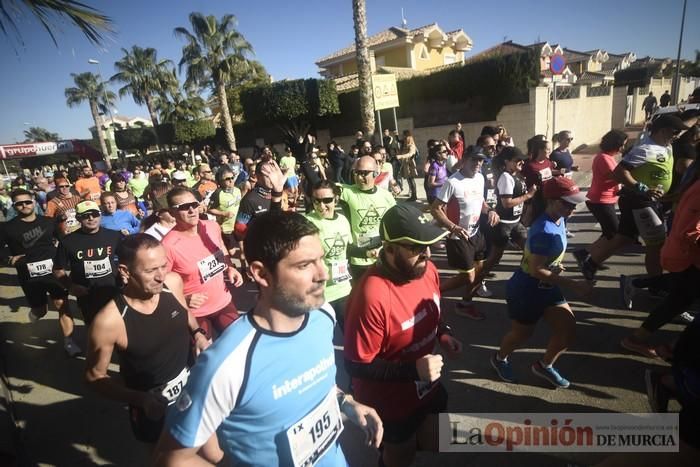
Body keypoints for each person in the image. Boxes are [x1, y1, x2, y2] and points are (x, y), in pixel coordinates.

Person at [153, 211, 383, 466]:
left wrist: (346, 402)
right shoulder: (225, 364)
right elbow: (170, 459)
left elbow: (316, 383)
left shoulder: (323, 315)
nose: (322, 274)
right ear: (261, 274)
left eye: (321, 260)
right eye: (304, 265)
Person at [84, 234, 221, 458]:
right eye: (150, 271)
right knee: (166, 463)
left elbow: (186, 315)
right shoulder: (109, 321)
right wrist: (141, 400)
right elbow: (93, 377)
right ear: (125, 272)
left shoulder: (172, 283)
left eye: (163, 266)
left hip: (190, 391)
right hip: (153, 409)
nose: (160, 276)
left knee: (214, 456)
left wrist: (198, 335)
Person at [344, 203, 460, 467]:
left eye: (428, 245)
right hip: (389, 399)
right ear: (389, 248)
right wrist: (413, 370)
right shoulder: (371, 295)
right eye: (417, 247)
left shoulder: (426, 270)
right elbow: (355, 364)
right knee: (401, 456)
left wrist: (443, 333)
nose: (427, 254)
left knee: (436, 440)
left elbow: (432, 310)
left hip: (425, 384)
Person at [492, 177, 592, 388]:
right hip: (527, 289)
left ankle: (544, 366)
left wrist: (554, 265)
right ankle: (499, 359)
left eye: (574, 203)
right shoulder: (544, 230)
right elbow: (536, 270)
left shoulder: (560, 218)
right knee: (521, 335)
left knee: (567, 330)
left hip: (546, 286)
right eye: (567, 203)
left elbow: (540, 262)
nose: (572, 208)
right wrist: (574, 284)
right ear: (551, 201)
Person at [575, 115, 688, 281]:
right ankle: (655, 283)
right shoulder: (645, 149)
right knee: (656, 244)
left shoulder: (666, 145)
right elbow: (620, 172)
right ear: (663, 131)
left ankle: (591, 263)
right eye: (675, 132)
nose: (678, 135)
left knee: (625, 237)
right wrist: (642, 189)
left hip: (647, 200)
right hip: (640, 201)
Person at [619, 171, 700, 357]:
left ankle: (635, 284)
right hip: (687, 255)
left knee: (681, 294)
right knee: (679, 299)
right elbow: (691, 231)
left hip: (686, 256)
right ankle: (641, 341)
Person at [0, 189, 80, 356]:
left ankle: (69, 342)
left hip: (52, 270)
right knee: (40, 311)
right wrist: (9, 259)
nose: (24, 205)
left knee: (62, 304)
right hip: (28, 275)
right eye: (19, 203)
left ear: (34, 202)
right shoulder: (7, 228)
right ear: (14, 206)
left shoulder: (48, 222)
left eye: (27, 202)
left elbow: (64, 241)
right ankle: (34, 315)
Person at [162, 187, 244, 339]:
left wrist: (229, 268)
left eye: (194, 204)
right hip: (195, 312)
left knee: (237, 342)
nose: (192, 210)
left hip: (223, 301)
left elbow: (221, 248)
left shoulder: (211, 227)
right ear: (172, 212)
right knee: (203, 355)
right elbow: (160, 285)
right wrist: (184, 299)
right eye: (184, 207)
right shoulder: (167, 245)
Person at [431, 148, 499, 320]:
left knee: (480, 272)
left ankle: (465, 304)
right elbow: (435, 208)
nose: (478, 164)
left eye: (481, 161)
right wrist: (453, 228)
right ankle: (433, 292)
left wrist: (490, 210)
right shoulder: (453, 182)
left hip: (476, 233)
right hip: (459, 236)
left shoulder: (480, 178)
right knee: (468, 277)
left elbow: (481, 202)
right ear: (464, 160)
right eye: (474, 160)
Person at [53, 200, 122, 325]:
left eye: (94, 214)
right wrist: (71, 286)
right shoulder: (68, 241)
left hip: (113, 290)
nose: (91, 218)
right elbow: (57, 269)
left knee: (118, 326)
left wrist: (125, 276)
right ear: (78, 218)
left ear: (100, 215)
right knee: (94, 328)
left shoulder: (113, 236)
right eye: (85, 215)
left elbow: (126, 259)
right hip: (87, 295)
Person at [305, 180, 353, 329]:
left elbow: (347, 249)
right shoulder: (308, 222)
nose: (321, 206)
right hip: (320, 293)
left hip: (344, 288)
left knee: (351, 334)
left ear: (336, 199)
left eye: (327, 200)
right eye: (316, 201)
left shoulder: (343, 220)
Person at [340, 155, 396, 281]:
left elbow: (396, 224)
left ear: (376, 173)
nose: (359, 177)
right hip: (359, 259)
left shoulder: (386, 196)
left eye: (364, 173)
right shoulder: (347, 192)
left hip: (383, 256)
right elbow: (321, 188)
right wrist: (305, 161)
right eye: (357, 173)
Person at [483, 147, 536, 274]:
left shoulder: (515, 175)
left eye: (523, 160)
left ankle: (526, 276)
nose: (522, 162)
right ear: (507, 161)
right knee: (494, 258)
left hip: (516, 222)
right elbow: (506, 203)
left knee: (530, 249)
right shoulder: (506, 178)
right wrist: (528, 195)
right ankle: (476, 283)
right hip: (503, 224)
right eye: (518, 160)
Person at [581, 130, 628, 273]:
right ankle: (590, 259)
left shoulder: (608, 157)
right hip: (600, 200)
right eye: (622, 145)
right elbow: (616, 176)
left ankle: (587, 256)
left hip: (605, 199)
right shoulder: (603, 158)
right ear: (616, 144)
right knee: (613, 233)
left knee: (608, 232)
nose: (623, 148)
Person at [207, 167, 242, 257]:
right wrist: (224, 213)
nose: (231, 180)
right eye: (227, 179)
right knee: (232, 252)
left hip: (238, 226)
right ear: (221, 181)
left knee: (243, 249)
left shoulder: (237, 190)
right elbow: (209, 209)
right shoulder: (218, 193)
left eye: (232, 177)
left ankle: (243, 266)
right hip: (226, 228)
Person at [396, 133, 418, 201]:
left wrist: (401, 156)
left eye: (405, 138)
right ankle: (412, 195)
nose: (404, 140)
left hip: (410, 165)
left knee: (411, 180)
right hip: (405, 165)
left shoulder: (412, 146)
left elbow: (410, 154)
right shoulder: (405, 146)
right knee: (409, 180)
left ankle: (414, 195)